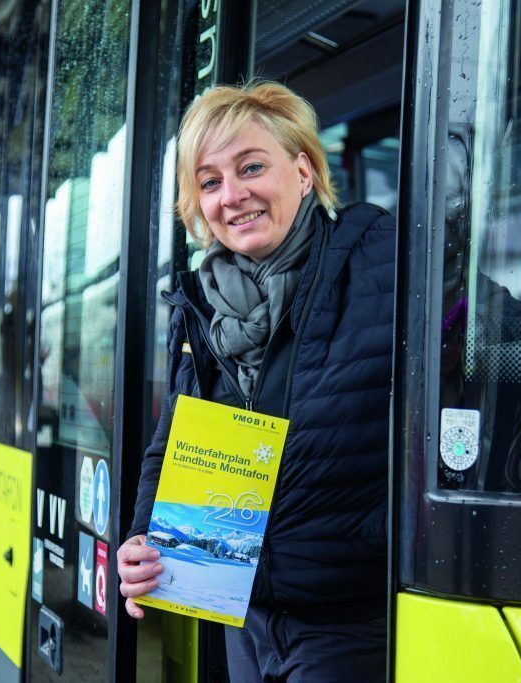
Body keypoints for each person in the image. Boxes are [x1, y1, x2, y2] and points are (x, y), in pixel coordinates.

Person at [117, 80, 394, 682]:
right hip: (242, 612)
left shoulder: (383, 257)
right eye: (210, 182)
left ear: (304, 171)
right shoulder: (202, 304)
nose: (233, 195)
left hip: (348, 621)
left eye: (251, 167)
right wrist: (141, 540)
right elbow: (174, 440)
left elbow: (497, 337)